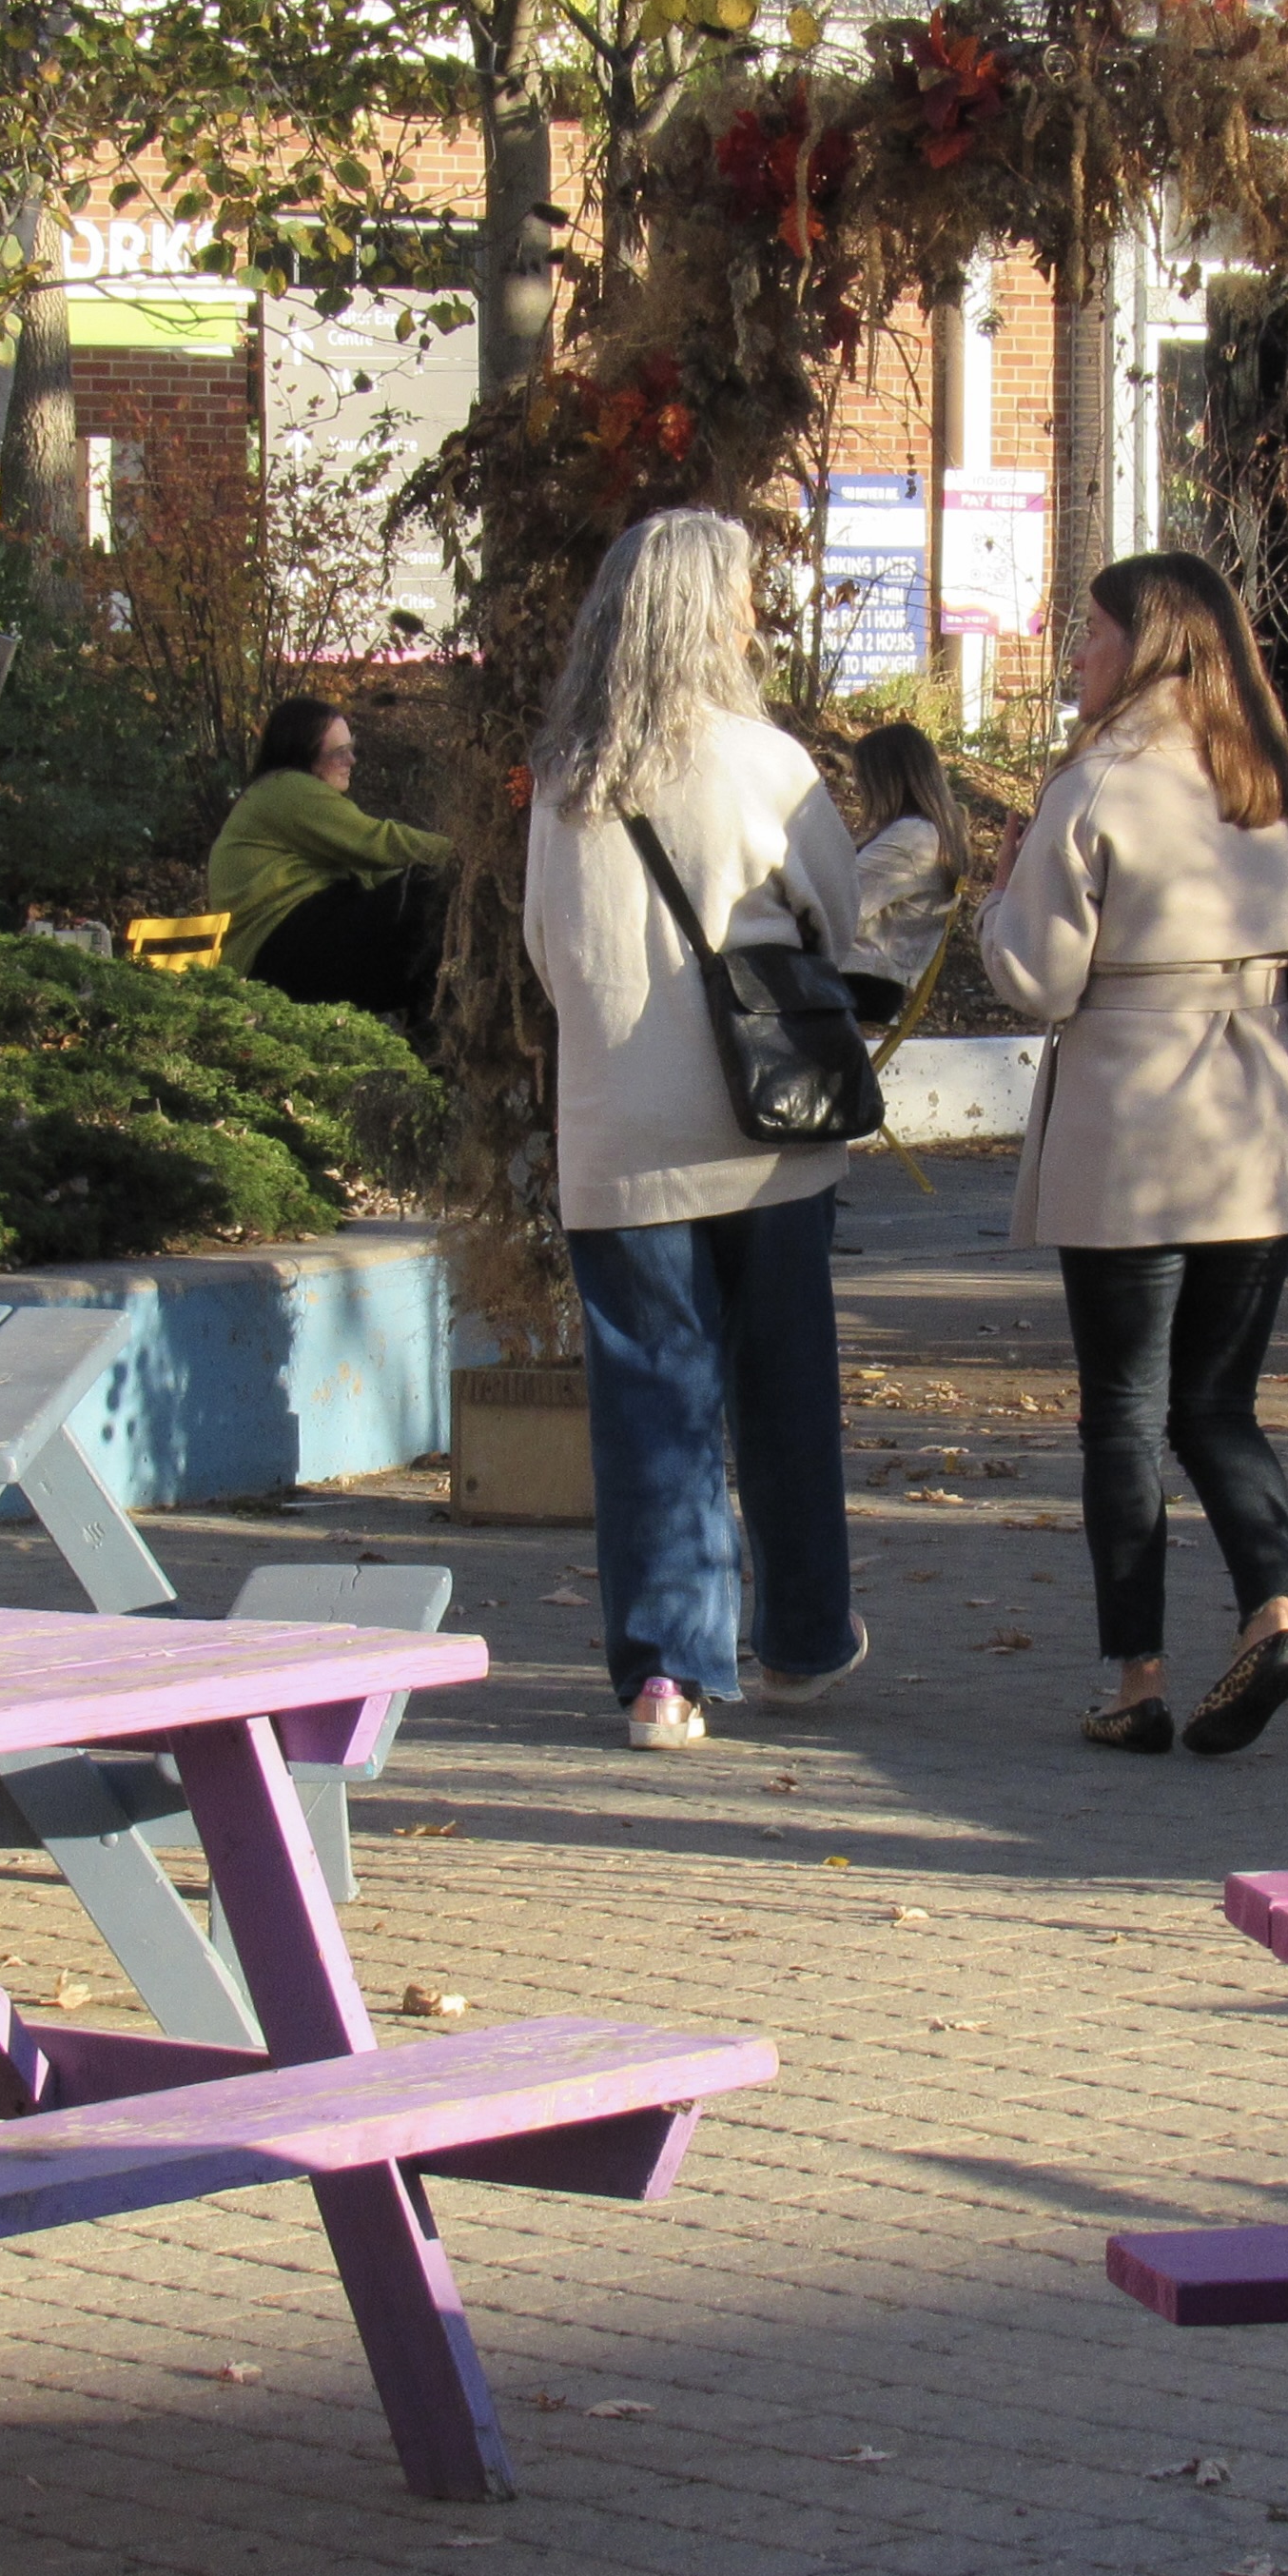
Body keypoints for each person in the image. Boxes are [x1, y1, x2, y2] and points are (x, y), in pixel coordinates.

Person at [521, 510, 871, 1749]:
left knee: (648, 1405)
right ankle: (803, 1640)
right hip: (763, 1132)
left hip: (617, 1140)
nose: (752, 619)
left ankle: (665, 1673)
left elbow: (546, 952)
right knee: (785, 1393)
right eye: (741, 598)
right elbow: (837, 920)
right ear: (709, 616)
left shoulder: (564, 779)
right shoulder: (764, 763)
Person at [981, 550, 1288, 1760]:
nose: (1076, 655)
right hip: (1256, 1124)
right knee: (1219, 1403)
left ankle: (1135, 1678)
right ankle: (1274, 1608)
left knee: (1124, 1418)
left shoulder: (1096, 784)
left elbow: (1038, 977)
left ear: (1145, 646)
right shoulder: (1274, 781)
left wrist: (994, 901)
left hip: (1129, 1130)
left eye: (1090, 633)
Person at [206, 697, 448, 1015]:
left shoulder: (286, 796)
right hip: (276, 952)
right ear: (302, 752)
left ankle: (435, 1024)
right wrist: (469, 856)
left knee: (427, 896)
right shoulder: (287, 788)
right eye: (338, 752)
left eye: (351, 748)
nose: (352, 760)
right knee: (433, 894)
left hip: (295, 943)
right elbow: (379, 843)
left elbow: (376, 872)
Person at [840, 721, 971, 1020]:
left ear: (886, 780)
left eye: (862, 777)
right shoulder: (933, 833)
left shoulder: (912, 837)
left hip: (861, 979)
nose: (856, 787)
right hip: (871, 978)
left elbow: (841, 908)